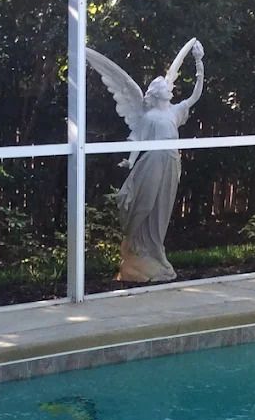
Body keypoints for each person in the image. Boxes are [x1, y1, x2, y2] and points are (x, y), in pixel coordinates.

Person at [85, 39, 205, 282]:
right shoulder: (148, 116)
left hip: (171, 162)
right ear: (155, 92)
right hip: (152, 162)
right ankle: (135, 244)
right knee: (145, 204)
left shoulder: (174, 112)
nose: (167, 87)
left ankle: (154, 250)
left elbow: (195, 95)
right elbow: (138, 141)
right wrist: (130, 162)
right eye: (162, 85)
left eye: (166, 85)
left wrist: (199, 63)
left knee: (162, 209)